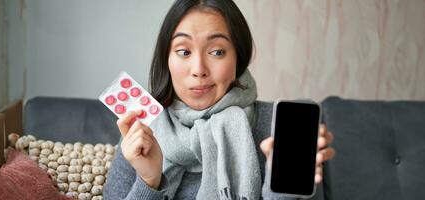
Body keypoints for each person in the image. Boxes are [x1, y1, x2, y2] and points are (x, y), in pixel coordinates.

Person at [104, 0, 335, 199]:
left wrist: (281, 187)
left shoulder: (279, 128)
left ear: (238, 59)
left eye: (217, 52)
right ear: (167, 60)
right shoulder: (143, 130)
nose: (198, 69)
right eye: (184, 52)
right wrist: (148, 180)